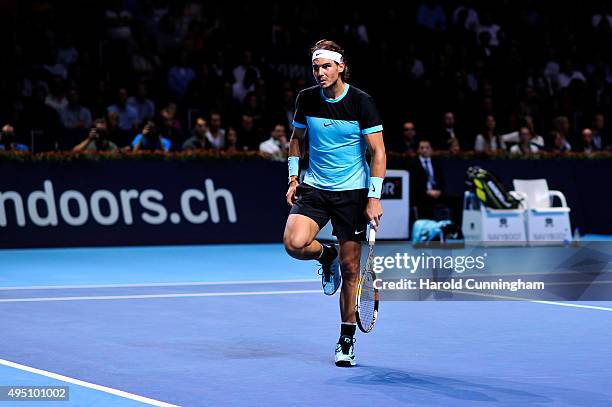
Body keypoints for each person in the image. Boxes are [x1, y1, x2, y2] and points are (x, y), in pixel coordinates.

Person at [283, 40, 386, 367]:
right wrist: (293, 177)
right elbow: (296, 140)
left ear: (341, 67)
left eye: (326, 66)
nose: (320, 73)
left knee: (352, 268)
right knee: (294, 243)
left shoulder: (361, 102)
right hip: (314, 186)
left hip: (352, 193)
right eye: (316, 67)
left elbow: (379, 153)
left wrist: (374, 196)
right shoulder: (306, 99)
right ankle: (326, 253)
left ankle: (346, 340)